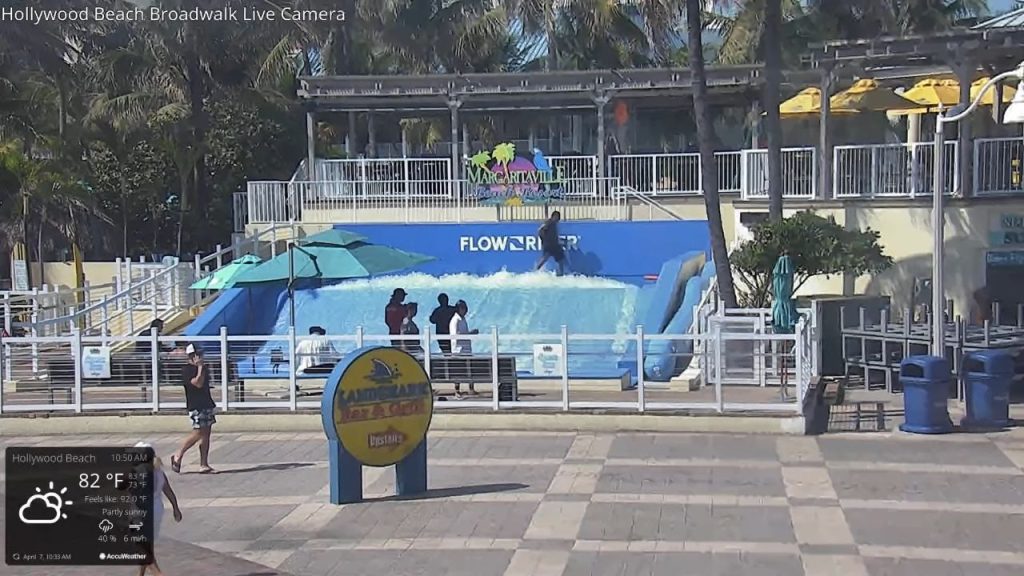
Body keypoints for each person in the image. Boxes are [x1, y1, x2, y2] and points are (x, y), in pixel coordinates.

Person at [133, 442, 182, 576]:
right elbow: (168, 491)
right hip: (157, 511)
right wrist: (175, 508)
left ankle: (159, 574)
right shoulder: (159, 471)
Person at [171, 344, 217, 474]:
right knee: (198, 432)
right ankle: (178, 455)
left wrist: (202, 368)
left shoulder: (203, 369)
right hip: (196, 405)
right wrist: (200, 367)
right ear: (192, 356)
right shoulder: (187, 370)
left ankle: (204, 464)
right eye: (198, 355)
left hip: (206, 403)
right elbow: (198, 383)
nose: (201, 357)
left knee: (206, 434)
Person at [449, 300, 479, 399]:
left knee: (469, 369)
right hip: (458, 350)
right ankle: (457, 390)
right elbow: (456, 335)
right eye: (464, 308)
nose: (466, 311)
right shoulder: (455, 320)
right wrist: (470, 334)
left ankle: (471, 388)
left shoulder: (463, 319)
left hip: (466, 349)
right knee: (458, 371)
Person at [535, 211, 566, 275]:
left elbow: (554, 235)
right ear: (554, 216)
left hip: (554, 245)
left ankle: (560, 274)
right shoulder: (549, 222)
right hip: (550, 245)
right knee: (547, 258)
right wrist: (544, 240)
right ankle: (535, 272)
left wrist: (559, 241)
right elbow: (540, 231)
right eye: (558, 217)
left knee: (559, 260)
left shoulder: (554, 224)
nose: (558, 219)